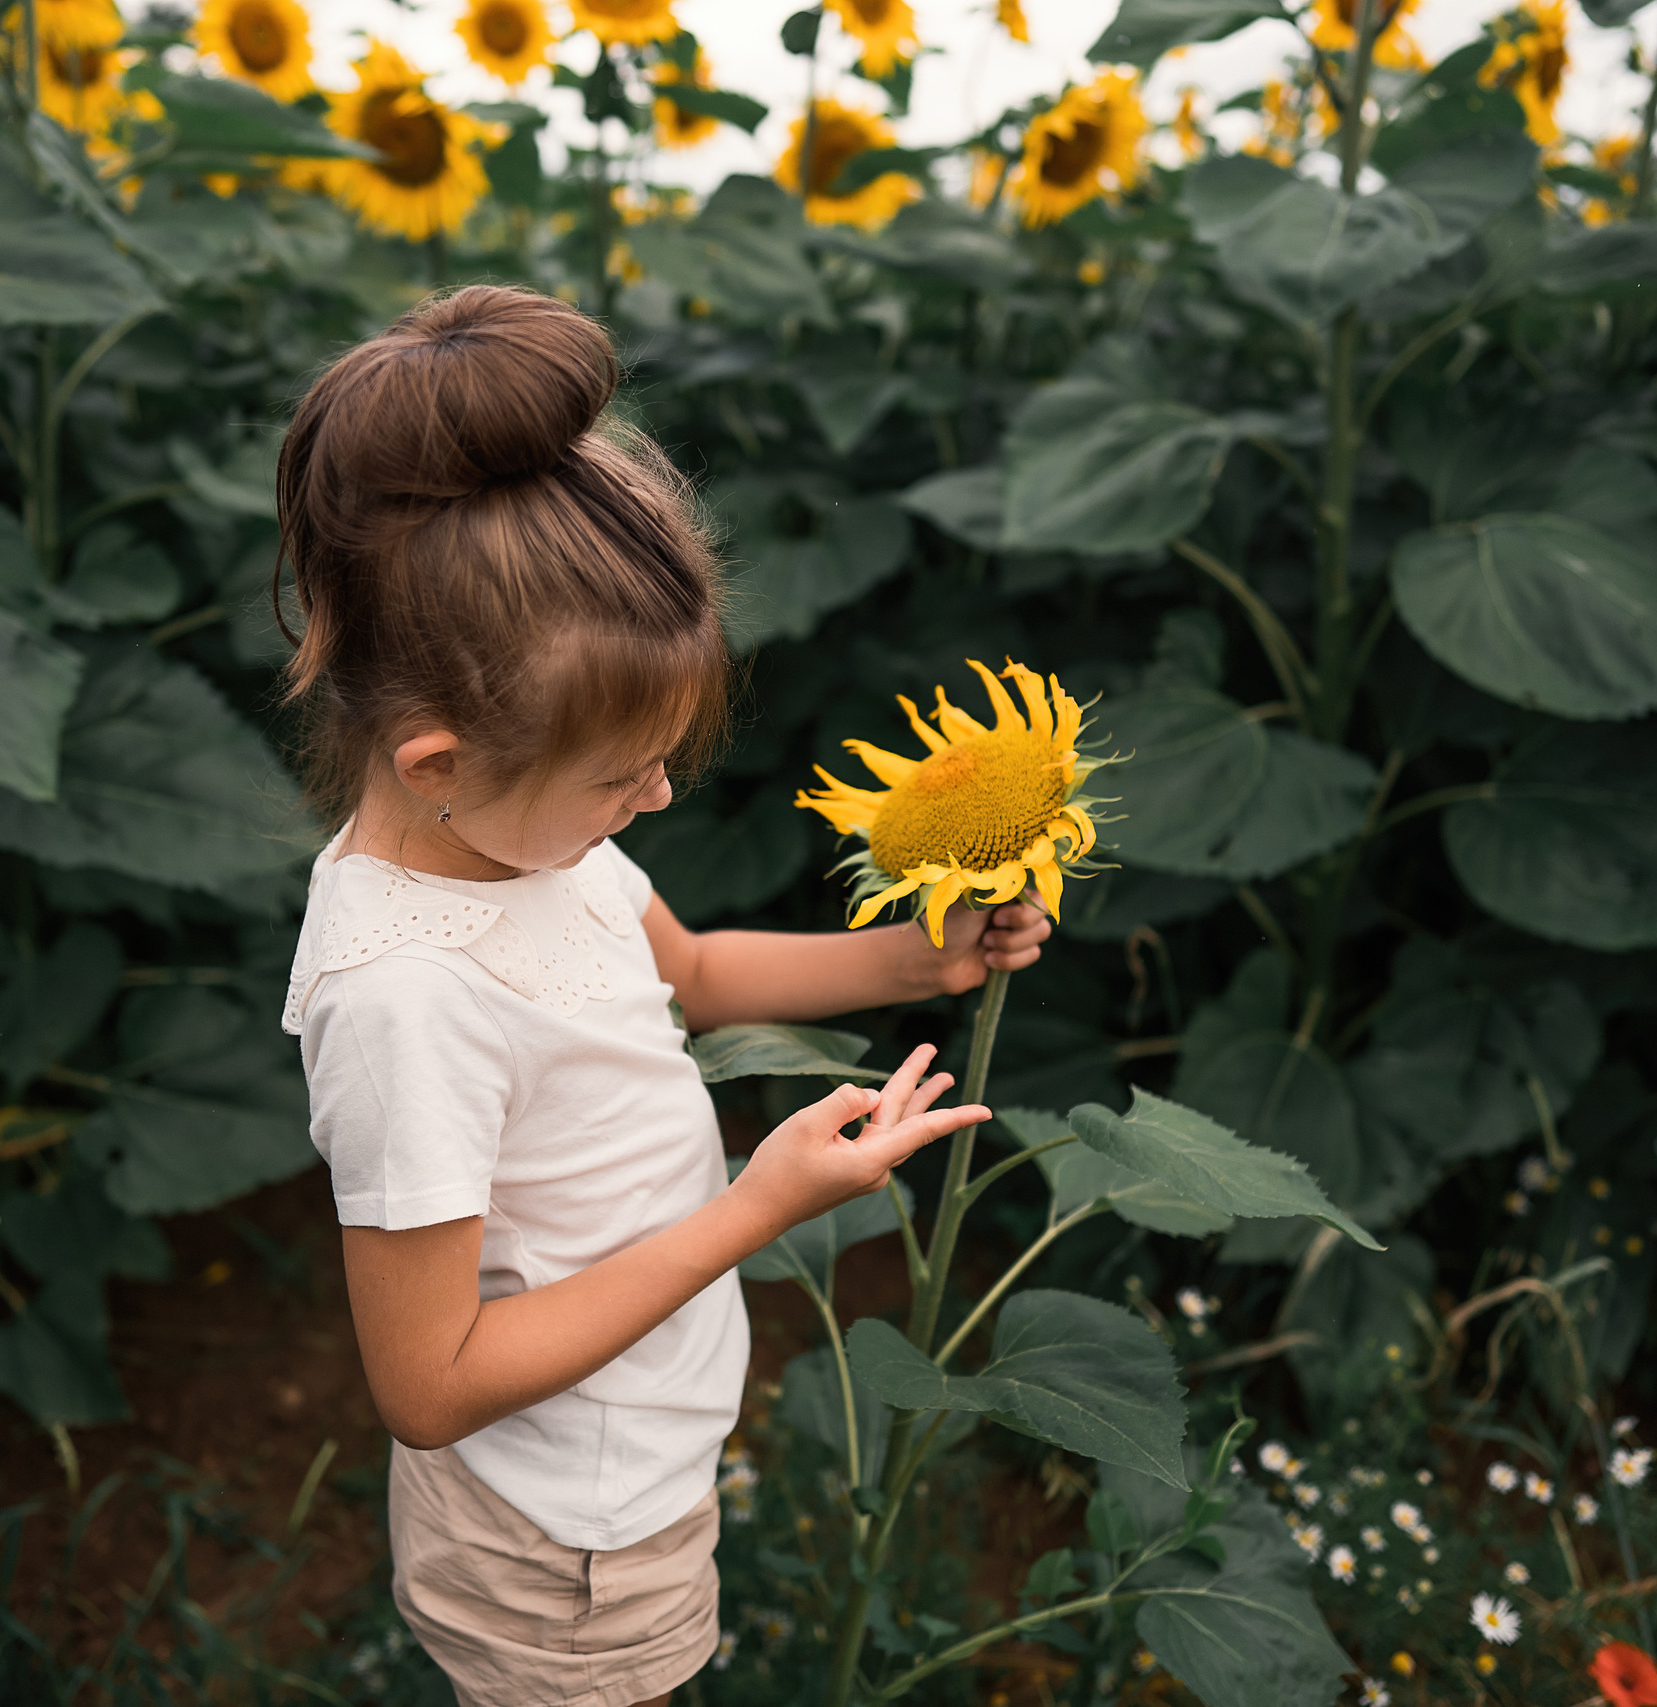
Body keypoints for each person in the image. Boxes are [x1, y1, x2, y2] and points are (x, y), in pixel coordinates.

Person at [273, 285, 1050, 1707]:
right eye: (620, 775)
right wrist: (756, 1208)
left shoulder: (531, 844)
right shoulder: (404, 1002)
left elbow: (685, 977)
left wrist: (909, 961)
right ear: (438, 763)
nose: (658, 796)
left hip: (621, 1472)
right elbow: (429, 1383)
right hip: (558, 1536)